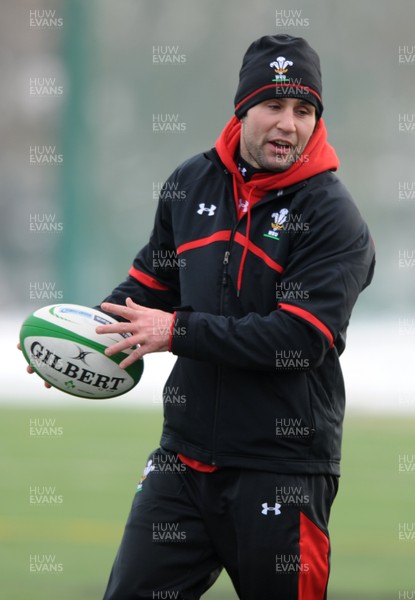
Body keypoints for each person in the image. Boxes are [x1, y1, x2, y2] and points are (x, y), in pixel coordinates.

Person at [27, 35, 376, 599]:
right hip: (183, 462)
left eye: (303, 110)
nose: (288, 124)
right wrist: (73, 342)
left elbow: (299, 338)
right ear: (242, 109)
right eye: (274, 106)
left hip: (281, 469)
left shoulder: (333, 217)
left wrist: (177, 331)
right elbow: (145, 290)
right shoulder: (190, 184)